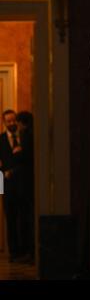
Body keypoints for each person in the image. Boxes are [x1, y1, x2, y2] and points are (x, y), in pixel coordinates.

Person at [0, 109, 26, 262]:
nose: (11, 123)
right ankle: (14, 252)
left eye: (13, 120)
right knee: (10, 218)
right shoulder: (1, 139)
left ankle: (24, 250)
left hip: (23, 184)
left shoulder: (24, 137)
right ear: (4, 122)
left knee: (23, 218)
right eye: (8, 121)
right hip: (7, 184)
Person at [16, 111, 35, 262]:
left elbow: (26, 156)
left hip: (27, 183)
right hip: (19, 184)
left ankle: (30, 252)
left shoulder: (27, 136)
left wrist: (19, 152)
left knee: (28, 217)